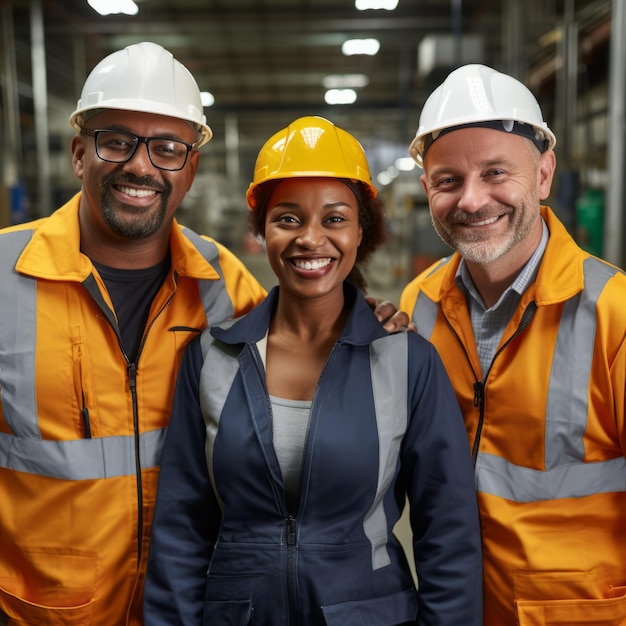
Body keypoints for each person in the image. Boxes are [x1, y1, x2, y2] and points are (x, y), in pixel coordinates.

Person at [0, 43, 407, 626]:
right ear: (78, 153)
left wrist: (368, 321)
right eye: (117, 140)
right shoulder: (3, 276)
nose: (141, 166)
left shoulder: (224, 286)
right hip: (40, 614)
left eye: (168, 148)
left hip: (194, 606)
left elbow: (309, 335)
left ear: (190, 169)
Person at [143, 115, 483, 625]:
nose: (310, 238)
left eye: (334, 218)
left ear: (361, 229)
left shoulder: (407, 361)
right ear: (260, 231)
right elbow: (181, 530)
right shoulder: (212, 359)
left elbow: (448, 534)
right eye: (287, 218)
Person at [400, 63, 626, 625]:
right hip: (455, 609)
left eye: (496, 172)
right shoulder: (418, 305)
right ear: (427, 188)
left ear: (544, 174)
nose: (472, 201)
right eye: (448, 180)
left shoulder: (614, 313)